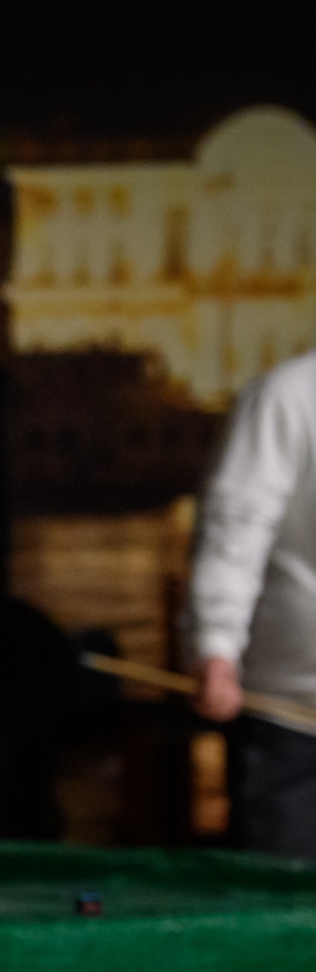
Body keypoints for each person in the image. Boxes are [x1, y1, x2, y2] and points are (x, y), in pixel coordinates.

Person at [190, 350, 316, 857]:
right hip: (292, 723)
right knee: (281, 898)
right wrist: (216, 647)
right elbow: (234, 530)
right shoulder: (289, 395)